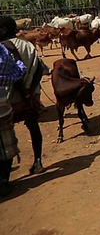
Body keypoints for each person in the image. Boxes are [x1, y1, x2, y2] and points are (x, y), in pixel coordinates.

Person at [0, 16, 48, 176]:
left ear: (3, 31)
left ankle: (5, 177)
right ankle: (38, 161)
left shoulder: (2, 48)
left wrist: (23, 92)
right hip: (31, 95)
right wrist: (30, 91)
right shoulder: (28, 45)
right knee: (33, 126)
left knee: (6, 135)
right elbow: (40, 69)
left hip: (9, 99)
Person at [0, 42, 27, 196]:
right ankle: (4, 181)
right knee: (8, 146)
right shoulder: (3, 53)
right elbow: (18, 71)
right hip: (2, 109)